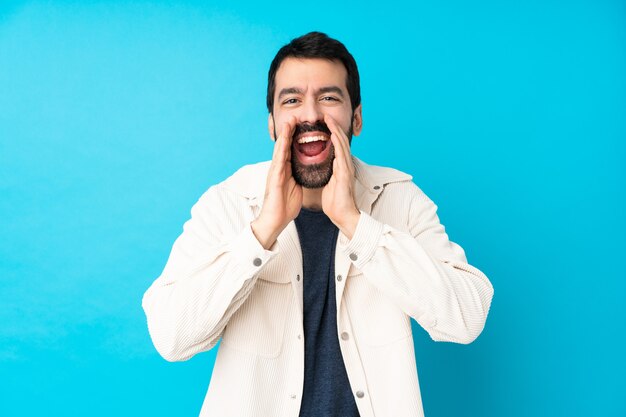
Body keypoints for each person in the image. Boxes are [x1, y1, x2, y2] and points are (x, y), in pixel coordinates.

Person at [142, 31, 494, 417]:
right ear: (272, 124)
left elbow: (467, 318)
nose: (310, 115)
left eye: (328, 97)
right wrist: (262, 234)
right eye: (291, 100)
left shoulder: (400, 199)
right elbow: (171, 336)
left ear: (356, 118)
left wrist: (358, 225)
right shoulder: (228, 203)